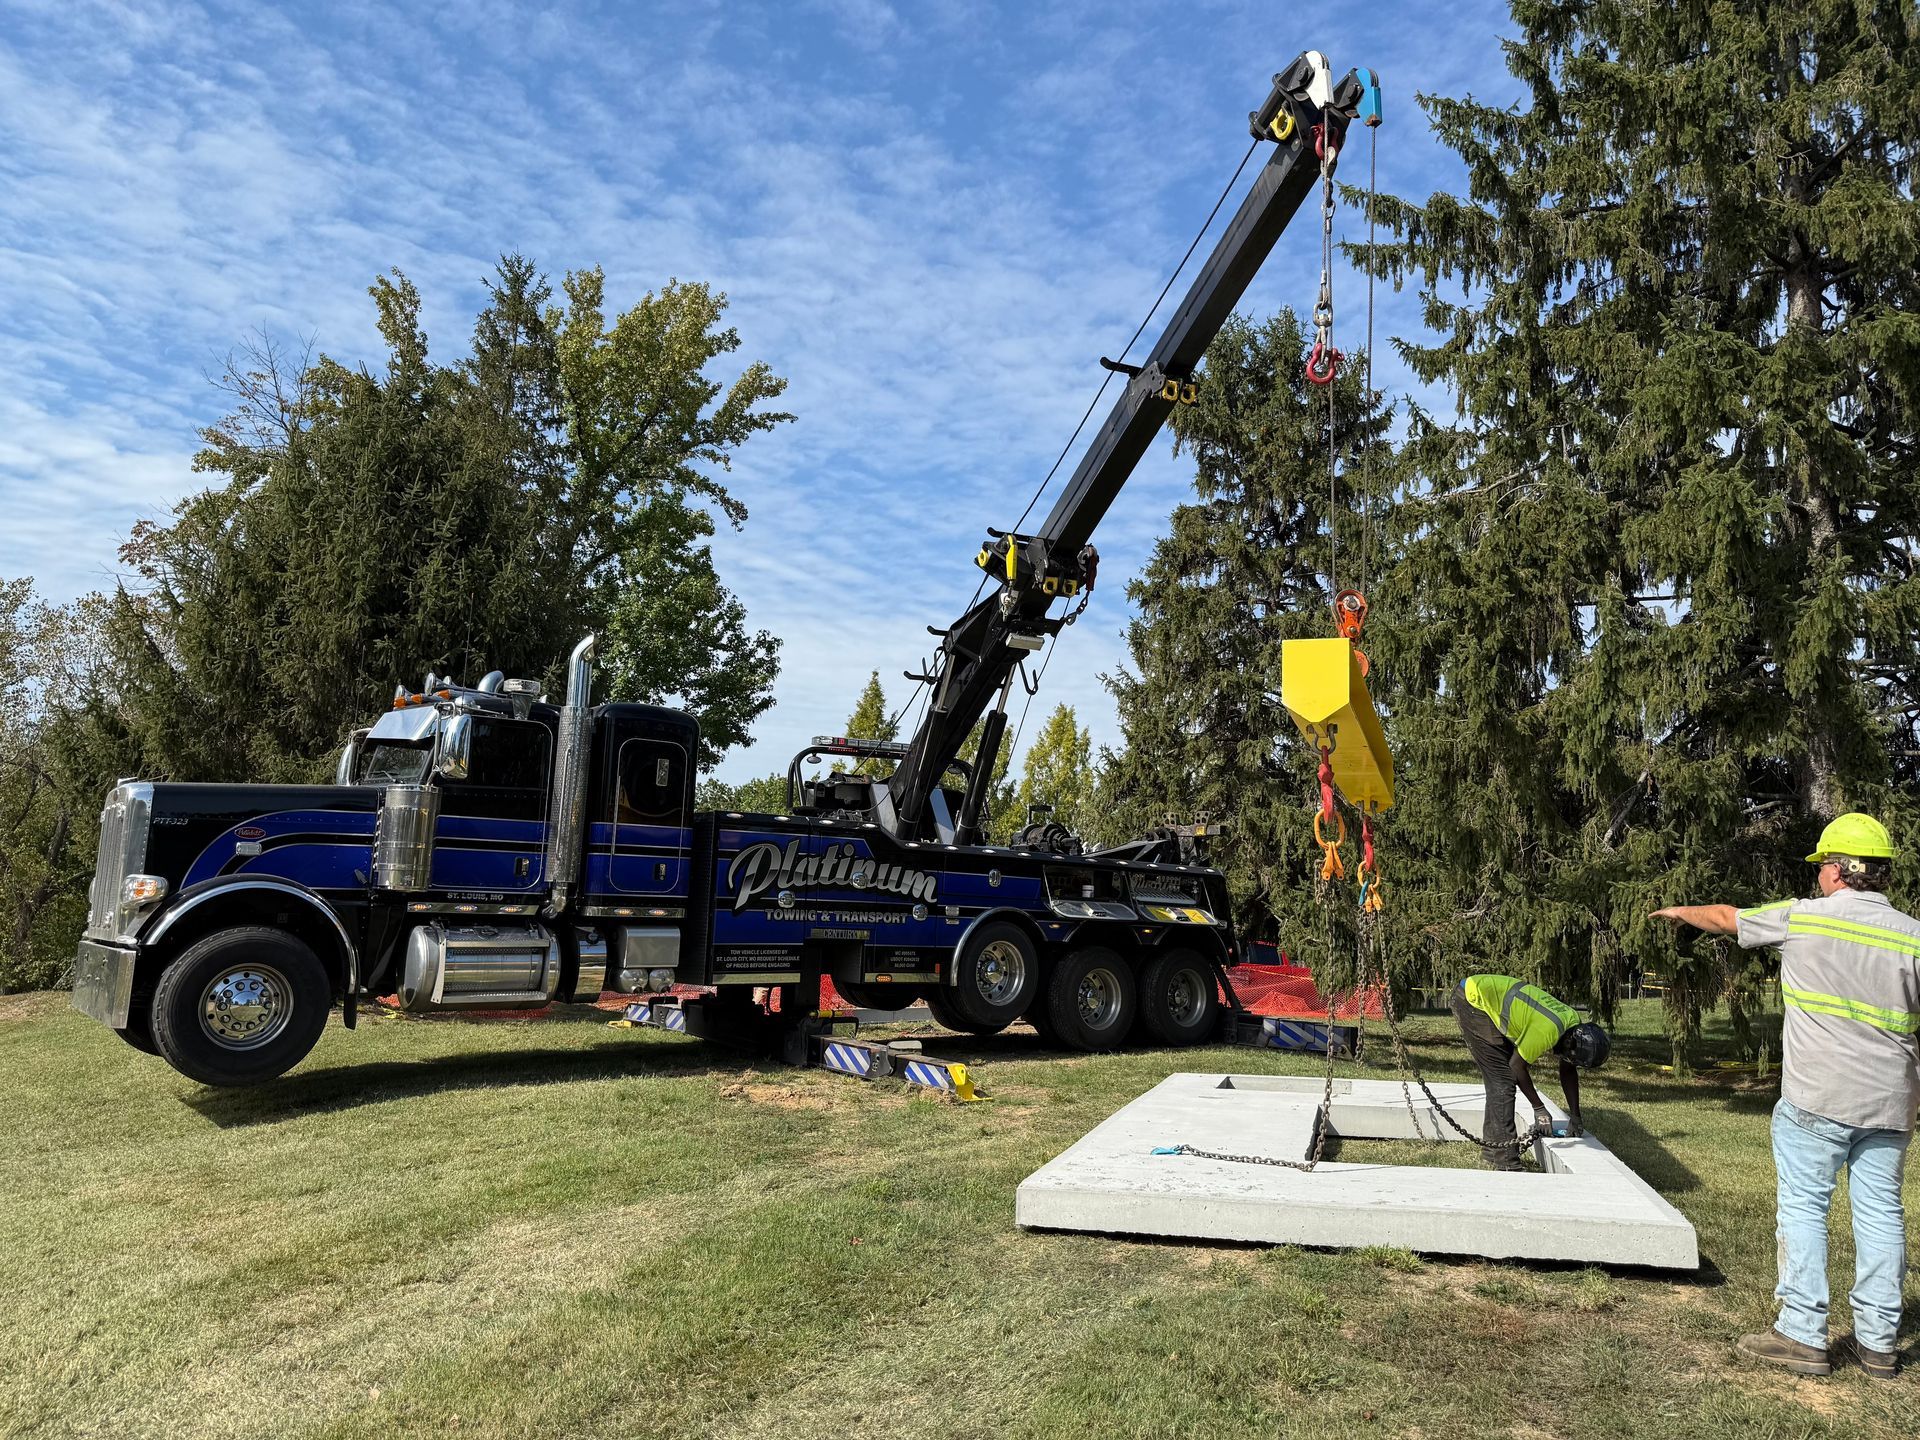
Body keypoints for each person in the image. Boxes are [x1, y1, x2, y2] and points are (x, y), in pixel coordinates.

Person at [1654, 812, 1919, 1380]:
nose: (1819, 874)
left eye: (1823, 864)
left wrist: (1681, 913)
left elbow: (1728, 919)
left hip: (1817, 1099)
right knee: (1882, 1216)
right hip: (1891, 1103)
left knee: (1804, 1208)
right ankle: (1877, 1344)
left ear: (1840, 870)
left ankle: (1801, 1333)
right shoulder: (1914, 935)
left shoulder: (1805, 920)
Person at [1448, 974, 1610, 1171]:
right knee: (1503, 1082)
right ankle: (1506, 1161)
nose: (1570, 1061)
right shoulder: (1547, 1031)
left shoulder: (1572, 1025)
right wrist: (1539, 1109)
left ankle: (1492, 1152)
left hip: (1483, 996)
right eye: (1572, 1057)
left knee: (1499, 1082)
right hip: (1473, 1000)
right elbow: (1517, 1067)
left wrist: (1575, 1116)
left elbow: (1568, 1071)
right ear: (1570, 1043)